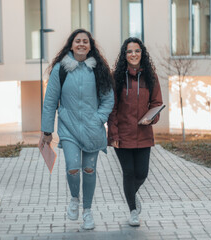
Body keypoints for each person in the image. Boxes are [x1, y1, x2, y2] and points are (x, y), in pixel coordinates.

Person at [40, 29, 114, 230]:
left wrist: (99, 118)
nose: (81, 44)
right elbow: (50, 101)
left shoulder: (98, 69)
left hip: (92, 129)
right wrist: (47, 130)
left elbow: (108, 98)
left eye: (85, 41)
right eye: (77, 41)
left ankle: (87, 211)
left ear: (90, 46)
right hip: (69, 128)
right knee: (73, 168)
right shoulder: (60, 69)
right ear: (71, 45)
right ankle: (75, 198)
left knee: (89, 170)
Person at [107, 37, 163, 227]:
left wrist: (152, 118)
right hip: (122, 135)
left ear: (142, 53)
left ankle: (131, 194)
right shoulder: (117, 77)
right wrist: (113, 135)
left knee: (142, 173)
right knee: (129, 173)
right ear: (125, 55)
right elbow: (112, 108)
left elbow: (156, 104)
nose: (133, 54)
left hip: (144, 134)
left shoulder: (150, 76)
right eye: (129, 51)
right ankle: (133, 211)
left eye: (137, 51)